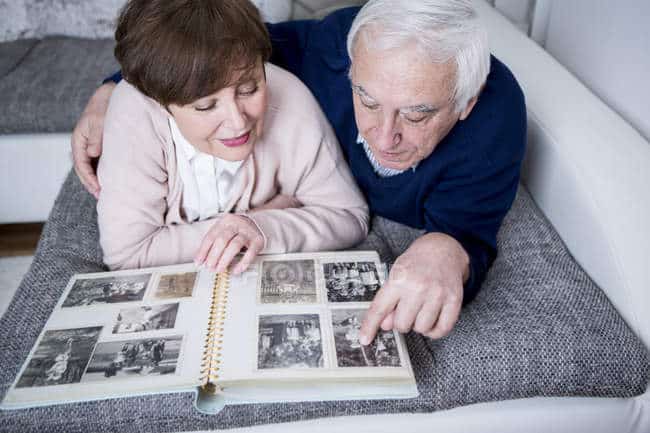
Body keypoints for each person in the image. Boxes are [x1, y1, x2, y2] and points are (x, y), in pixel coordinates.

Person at [71, 1, 526, 344]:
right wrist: (111, 89)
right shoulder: (327, 47)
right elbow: (206, 51)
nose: (385, 138)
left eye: (418, 114)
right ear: (350, 66)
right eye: (367, 100)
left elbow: (468, 236)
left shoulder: (494, 123)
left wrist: (449, 248)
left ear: (466, 103)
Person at [93, 0, 368, 271]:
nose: (238, 123)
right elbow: (127, 254)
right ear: (161, 102)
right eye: (206, 106)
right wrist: (249, 222)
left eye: (249, 89)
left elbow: (349, 216)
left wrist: (261, 228)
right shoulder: (133, 112)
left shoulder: (289, 96)